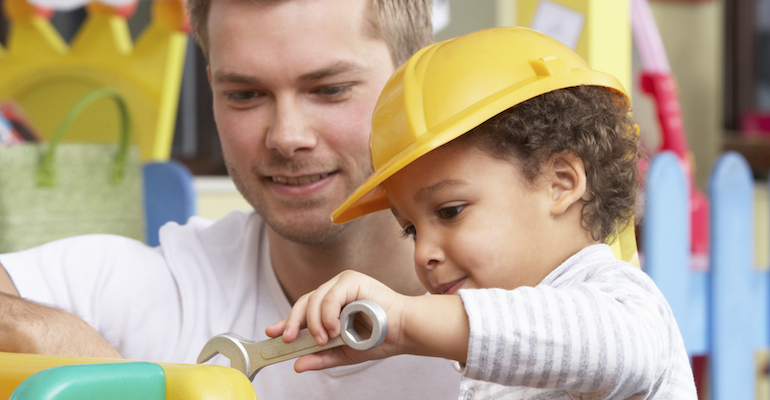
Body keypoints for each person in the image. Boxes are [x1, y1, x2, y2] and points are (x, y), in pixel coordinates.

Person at [0, 0, 462, 398]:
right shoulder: (165, 285)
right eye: (245, 94)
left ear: (411, 83)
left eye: (329, 90)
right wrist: (44, 330)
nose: (287, 136)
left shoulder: (523, 307)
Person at [268, 27, 699, 399]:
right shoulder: (506, 337)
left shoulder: (621, 302)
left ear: (561, 182)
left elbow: (610, 346)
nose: (423, 255)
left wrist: (402, 320)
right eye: (411, 230)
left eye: (451, 211)